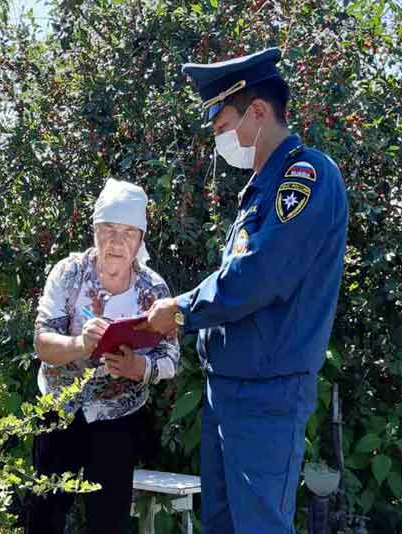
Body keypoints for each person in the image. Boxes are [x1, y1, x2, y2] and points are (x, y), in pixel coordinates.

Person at [138, 48, 348, 533]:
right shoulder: (258, 189)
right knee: (224, 524)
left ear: (257, 112)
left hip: (266, 394)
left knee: (259, 526)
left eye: (221, 126)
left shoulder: (305, 178)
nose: (219, 140)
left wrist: (183, 309)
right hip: (227, 390)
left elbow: (260, 276)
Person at [27, 178, 180, 534]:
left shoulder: (154, 290)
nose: (116, 242)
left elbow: (172, 359)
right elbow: (41, 341)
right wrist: (80, 344)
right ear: (94, 230)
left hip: (118, 418)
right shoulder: (69, 274)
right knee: (43, 516)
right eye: (108, 229)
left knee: (108, 522)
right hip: (59, 409)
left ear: (140, 240)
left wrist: (137, 367)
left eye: (128, 233)